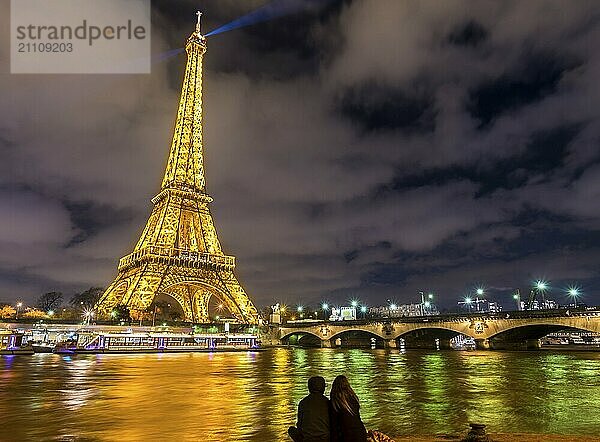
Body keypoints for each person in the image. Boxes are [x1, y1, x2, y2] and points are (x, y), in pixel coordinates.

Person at [288, 376, 331, 442]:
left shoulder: (303, 402)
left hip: (307, 439)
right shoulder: (328, 402)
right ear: (322, 388)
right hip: (325, 439)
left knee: (291, 429)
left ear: (309, 388)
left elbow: (299, 425)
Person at [329, 375, 367, 442]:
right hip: (361, 432)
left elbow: (334, 425)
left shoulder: (335, 401)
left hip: (347, 436)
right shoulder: (354, 398)